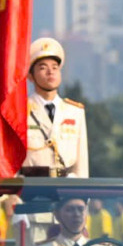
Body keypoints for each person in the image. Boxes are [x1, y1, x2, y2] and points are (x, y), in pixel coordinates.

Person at [23, 38, 89, 177]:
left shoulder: (75, 111)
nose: (50, 72)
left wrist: (82, 195)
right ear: (30, 76)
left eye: (55, 67)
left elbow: (81, 164)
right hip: (29, 186)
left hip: (65, 186)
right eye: (42, 67)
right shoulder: (20, 111)